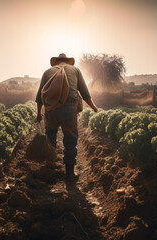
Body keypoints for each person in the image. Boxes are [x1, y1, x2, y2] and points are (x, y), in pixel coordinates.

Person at [35, 53, 98, 182]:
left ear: (56, 62)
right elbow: (85, 93)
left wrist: (39, 114)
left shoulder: (47, 72)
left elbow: (39, 96)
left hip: (50, 109)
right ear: (68, 62)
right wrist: (94, 108)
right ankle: (70, 173)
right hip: (69, 108)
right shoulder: (75, 70)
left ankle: (50, 170)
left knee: (50, 136)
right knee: (70, 139)